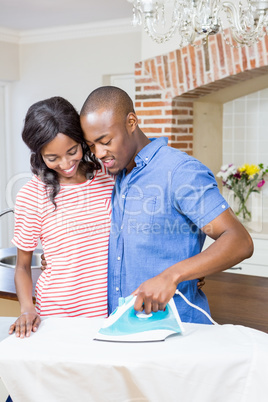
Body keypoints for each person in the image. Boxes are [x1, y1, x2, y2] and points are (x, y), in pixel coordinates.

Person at [79, 85, 254, 323]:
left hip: (176, 329)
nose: (99, 153)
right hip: (123, 327)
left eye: (105, 141)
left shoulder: (180, 171)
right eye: (92, 146)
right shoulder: (118, 174)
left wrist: (172, 276)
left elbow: (239, 240)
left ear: (131, 122)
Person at [9, 96, 115, 338]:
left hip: (110, 312)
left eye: (72, 151)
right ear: (39, 155)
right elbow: (23, 266)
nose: (66, 164)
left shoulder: (107, 176)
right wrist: (27, 308)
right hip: (56, 314)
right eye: (52, 158)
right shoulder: (33, 194)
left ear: (82, 141)